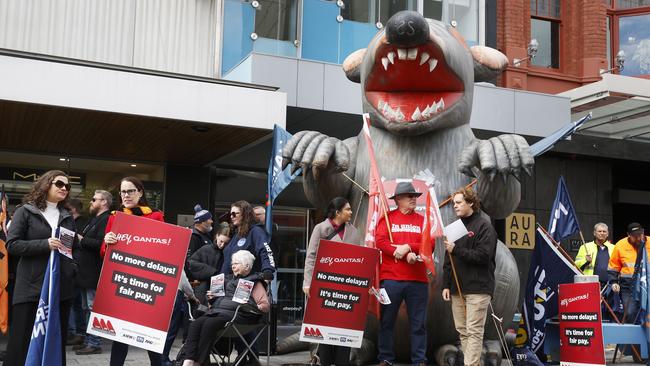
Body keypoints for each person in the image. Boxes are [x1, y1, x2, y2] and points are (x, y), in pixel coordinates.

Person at [4, 170, 77, 366]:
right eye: (59, 184)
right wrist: (45, 244)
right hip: (31, 289)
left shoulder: (66, 215)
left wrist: (72, 269)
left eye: (67, 186)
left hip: (60, 290)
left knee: (55, 343)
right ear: (46, 185)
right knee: (22, 343)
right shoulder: (25, 211)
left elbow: (71, 248)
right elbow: (12, 245)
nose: (64, 188)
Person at [102, 176, 165, 366]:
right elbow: (105, 253)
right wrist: (107, 242)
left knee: (151, 335)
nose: (126, 195)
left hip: (147, 281)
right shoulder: (115, 216)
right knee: (120, 335)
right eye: (123, 191)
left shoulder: (155, 215)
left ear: (140, 192)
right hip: (123, 282)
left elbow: (163, 248)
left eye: (130, 191)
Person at [180, 250, 270, 366]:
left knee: (209, 324)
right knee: (196, 324)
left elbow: (265, 306)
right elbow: (218, 301)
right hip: (219, 312)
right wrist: (212, 298)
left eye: (236, 263)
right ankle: (189, 360)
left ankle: (200, 362)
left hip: (240, 316)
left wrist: (253, 305)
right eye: (232, 263)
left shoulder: (255, 281)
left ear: (247, 266)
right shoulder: (227, 279)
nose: (233, 266)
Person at [442, 187, 497, 366]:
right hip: (458, 289)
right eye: (454, 203)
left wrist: (456, 249)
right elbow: (448, 260)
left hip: (478, 288)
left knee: (473, 331)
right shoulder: (454, 228)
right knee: (463, 332)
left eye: (459, 202)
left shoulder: (484, 226)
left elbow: (483, 256)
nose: (455, 206)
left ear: (471, 203)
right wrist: (445, 284)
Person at [303, 197, 361, 366]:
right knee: (326, 332)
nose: (351, 212)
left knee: (344, 331)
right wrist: (307, 282)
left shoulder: (354, 232)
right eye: (348, 209)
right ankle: (324, 360)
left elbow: (358, 260)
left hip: (346, 289)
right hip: (324, 287)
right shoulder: (320, 228)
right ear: (338, 212)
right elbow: (311, 256)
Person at [375, 181, 428, 366]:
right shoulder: (387, 219)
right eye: (409, 196)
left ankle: (419, 359)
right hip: (390, 279)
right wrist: (394, 251)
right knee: (387, 321)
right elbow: (379, 241)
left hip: (418, 280)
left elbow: (429, 243)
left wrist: (407, 247)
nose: (413, 198)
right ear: (398, 199)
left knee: (418, 324)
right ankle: (386, 358)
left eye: (415, 196)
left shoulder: (423, 220)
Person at [73, 190, 113, 355]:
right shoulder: (95, 219)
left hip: (94, 273)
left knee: (92, 308)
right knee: (85, 308)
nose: (91, 202)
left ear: (104, 202)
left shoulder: (107, 219)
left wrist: (81, 239)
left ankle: (94, 343)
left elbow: (102, 245)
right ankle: (89, 340)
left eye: (94, 199)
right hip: (85, 272)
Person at [220, 200, 275, 280]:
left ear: (245, 214)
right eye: (230, 214)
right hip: (228, 282)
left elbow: (265, 250)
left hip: (246, 283)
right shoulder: (235, 234)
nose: (232, 216)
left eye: (234, 214)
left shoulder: (256, 231)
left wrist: (268, 269)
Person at [188, 222, 231, 304]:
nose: (222, 245)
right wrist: (212, 272)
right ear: (217, 236)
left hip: (221, 287)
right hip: (203, 288)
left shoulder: (229, 253)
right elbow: (191, 263)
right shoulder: (206, 249)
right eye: (221, 241)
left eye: (226, 243)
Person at [67, 197, 89, 347]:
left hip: (80, 268)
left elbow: (80, 243)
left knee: (82, 304)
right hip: (75, 267)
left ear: (73, 209)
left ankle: (80, 333)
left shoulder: (80, 223)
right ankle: (77, 333)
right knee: (76, 303)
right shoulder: (78, 222)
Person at [187, 204, 214, 278]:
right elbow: (190, 261)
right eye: (210, 219)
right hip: (198, 279)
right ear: (202, 222)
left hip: (206, 274)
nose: (212, 221)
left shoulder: (206, 235)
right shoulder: (193, 236)